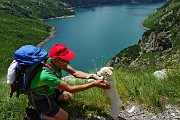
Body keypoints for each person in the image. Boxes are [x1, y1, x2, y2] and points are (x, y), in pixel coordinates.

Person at [29, 43, 110, 120]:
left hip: (49, 90)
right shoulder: (46, 75)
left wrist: (92, 75)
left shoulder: (55, 62)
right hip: (40, 99)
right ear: (56, 60)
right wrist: (94, 84)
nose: (68, 62)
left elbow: (76, 73)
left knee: (68, 97)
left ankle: (54, 103)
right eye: (65, 60)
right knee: (64, 117)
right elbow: (70, 88)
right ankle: (36, 115)